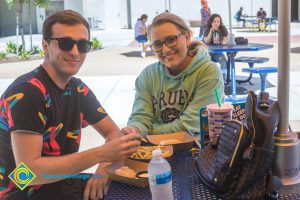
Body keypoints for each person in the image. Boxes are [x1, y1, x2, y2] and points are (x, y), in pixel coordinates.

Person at [0, 10, 141, 200]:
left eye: (83, 45)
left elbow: (113, 133)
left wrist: (103, 170)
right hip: (20, 192)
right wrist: (102, 154)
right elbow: (29, 172)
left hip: (59, 182)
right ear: (45, 45)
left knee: (135, 189)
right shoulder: (27, 92)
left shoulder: (78, 90)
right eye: (65, 43)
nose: (75, 52)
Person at [121, 13, 224, 136]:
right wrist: (134, 129)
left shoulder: (208, 72)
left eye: (171, 39)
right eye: (158, 44)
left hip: (198, 151)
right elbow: (141, 117)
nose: (166, 50)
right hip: (157, 151)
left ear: (186, 37)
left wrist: (148, 133)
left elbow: (192, 124)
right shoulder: (148, 75)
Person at [204, 14, 228, 81]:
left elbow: (227, 40)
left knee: (223, 61)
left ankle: (223, 80)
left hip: (218, 53)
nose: (216, 23)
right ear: (211, 22)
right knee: (205, 64)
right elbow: (207, 41)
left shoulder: (223, 29)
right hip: (208, 53)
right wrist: (211, 32)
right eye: (214, 21)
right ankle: (207, 81)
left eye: (218, 21)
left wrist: (223, 39)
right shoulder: (207, 29)